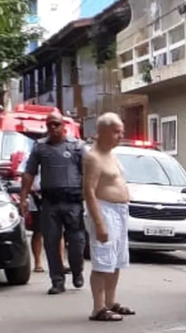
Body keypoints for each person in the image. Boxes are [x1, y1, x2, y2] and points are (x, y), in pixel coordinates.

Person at [20, 110, 87, 295]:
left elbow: (88, 174)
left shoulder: (77, 147)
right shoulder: (40, 148)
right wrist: (24, 198)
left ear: (63, 126)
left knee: (77, 241)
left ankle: (77, 270)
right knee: (51, 242)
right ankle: (57, 280)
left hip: (73, 202)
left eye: (56, 124)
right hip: (50, 202)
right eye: (49, 124)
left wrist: (90, 198)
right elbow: (28, 174)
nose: (52, 127)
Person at [82, 113, 134, 322]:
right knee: (103, 261)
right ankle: (98, 307)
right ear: (101, 131)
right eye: (115, 131)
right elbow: (89, 192)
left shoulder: (111, 154)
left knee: (116, 260)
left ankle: (111, 302)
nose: (120, 136)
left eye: (121, 131)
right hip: (105, 210)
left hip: (120, 211)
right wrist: (99, 223)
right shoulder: (93, 158)